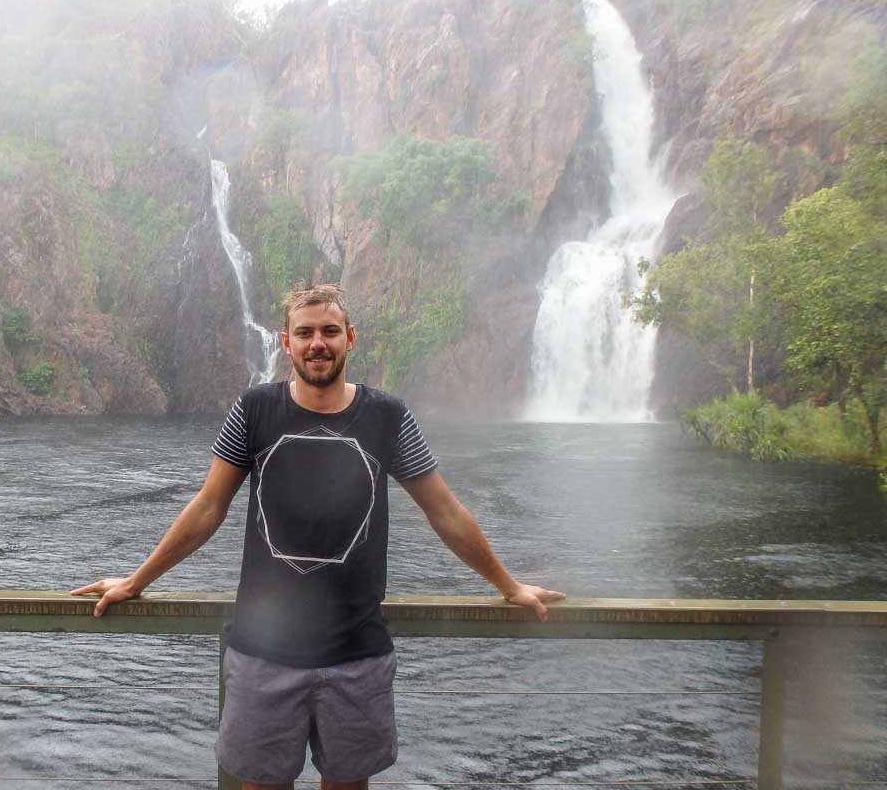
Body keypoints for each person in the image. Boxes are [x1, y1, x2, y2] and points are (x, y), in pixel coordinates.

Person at [72, 283, 565, 790]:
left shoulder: (387, 416)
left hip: (356, 656)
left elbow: (444, 511)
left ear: (350, 338)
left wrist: (507, 585)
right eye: (304, 333)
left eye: (329, 331)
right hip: (263, 655)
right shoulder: (254, 410)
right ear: (285, 343)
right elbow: (207, 507)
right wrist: (137, 579)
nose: (317, 344)